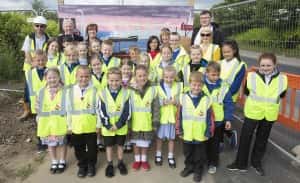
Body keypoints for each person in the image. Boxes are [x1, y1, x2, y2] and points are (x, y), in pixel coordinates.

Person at [227, 53, 288, 176]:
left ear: (275, 65)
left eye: (268, 65)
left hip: (269, 114)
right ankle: (240, 164)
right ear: (259, 65)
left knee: (262, 139)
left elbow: (281, 95)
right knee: (245, 138)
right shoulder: (252, 76)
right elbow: (247, 92)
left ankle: (256, 163)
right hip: (252, 112)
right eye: (263, 65)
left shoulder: (283, 79)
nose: (265, 67)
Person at [177, 71, 213, 182]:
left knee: (199, 155)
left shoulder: (206, 100)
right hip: (187, 134)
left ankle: (198, 171)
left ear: (203, 86)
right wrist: (179, 130)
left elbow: (209, 118)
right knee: (187, 153)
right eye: (194, 84)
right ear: (189, 84)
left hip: (200, 134)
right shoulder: (183, 98)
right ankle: (189, 167)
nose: (196, 87)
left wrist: (208, 131)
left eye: (199, 85)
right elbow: (179, 116)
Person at [67, 65, 100, 178]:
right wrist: (69, 126)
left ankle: (91, 165)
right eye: (81, 76)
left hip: (91, 126)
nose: (83, 79)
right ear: (76, 76)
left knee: (92, 148)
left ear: (90, 77)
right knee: (78, 148)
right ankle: (82, 165)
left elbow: (98, 109)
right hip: (76, 127)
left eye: (86, 76)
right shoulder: (71, 91)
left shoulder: (95, 90)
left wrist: (98, 125)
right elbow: (69, 110)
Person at [98, 67, 131, 177]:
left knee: (120, 145)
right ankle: (110, 164)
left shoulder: (126, 93)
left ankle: (120, 163)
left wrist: (118, 124)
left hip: (120, 127)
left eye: (117, 80)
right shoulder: (102, 93)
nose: (114, 83)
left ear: (121, 80)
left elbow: (127, 111)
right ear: (107, 80)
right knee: (109, 146)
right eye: (111, 80)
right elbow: (101, 110)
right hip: (108, 128)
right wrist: (108, 125)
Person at [203, 62, 234, 174]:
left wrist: (228, 119)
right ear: (206, 74)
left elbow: (229, 104)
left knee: (214, 143)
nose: (216, 77)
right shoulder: (200, 84)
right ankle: (203, 161)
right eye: (213, 75)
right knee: (204, 142)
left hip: (218, 121)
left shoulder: (223, 87)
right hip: (203, 121)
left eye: (217, 75)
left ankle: (213, 163)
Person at [36, 68, 67, 174]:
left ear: (59, 78)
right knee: (51, 144)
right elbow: (38, 107)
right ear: (45, 78)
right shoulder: (41, 92)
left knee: (62, 143)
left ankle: (62, 160)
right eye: (49, 77)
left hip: (60, 122)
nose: (52, 80)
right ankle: (54, 161)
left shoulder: (65, 91)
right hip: (47, 123)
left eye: (54, 77)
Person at [220, 40, 246, 148]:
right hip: (218, 96)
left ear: (234, 51)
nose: (225, 54)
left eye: (228, 52)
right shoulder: (220, 62)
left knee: (224, 119)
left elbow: (236, 85)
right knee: (219, 119)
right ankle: (223, 138)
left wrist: (225, 96)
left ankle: (227, 136)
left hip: (229, 97)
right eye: (224, 52)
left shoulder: (240, 65)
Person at [130, 65, 157, 171]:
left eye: (144, 75)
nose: (142, 78)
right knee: (136, 143)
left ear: (148, 75)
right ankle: (137, 160)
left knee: (145, 143)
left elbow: (156, 107)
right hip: (135, 123)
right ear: (135, 76)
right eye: (139, 76)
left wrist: (155, 122)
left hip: (147, 122)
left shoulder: (152, 89)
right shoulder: (130, 90)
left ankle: (144, 160)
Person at [155, 66, 182, 169]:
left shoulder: (178, 86)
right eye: (166, 77)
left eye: (171, 77)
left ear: (174, 77)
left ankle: (170, 156)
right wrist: (162, 102)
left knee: (171, 138)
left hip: (172, 117)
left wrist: (176, 102)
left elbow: (181, 99)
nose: (169, 79)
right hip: (162, 117)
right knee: (159, 138)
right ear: (163, 77)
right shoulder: (158, 87)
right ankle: (158, 154)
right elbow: (155, 101)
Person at [24, 50, 48, 152]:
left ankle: (48, 142)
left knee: (48, 122)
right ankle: (41, 143)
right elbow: (27, 89)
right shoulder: (29, 73)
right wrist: (26, 101)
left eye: (43, 60)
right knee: (39, 124)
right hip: (35, 103)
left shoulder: (49, 71)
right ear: (34, 61)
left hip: (48, 102)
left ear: (46, 60)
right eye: (38, 60)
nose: (41, 62)